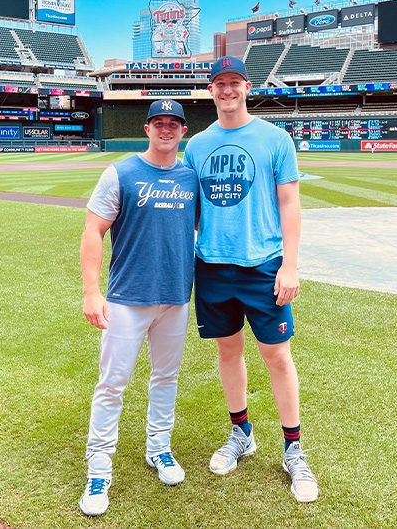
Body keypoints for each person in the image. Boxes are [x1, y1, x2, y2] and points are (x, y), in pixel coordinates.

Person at [182, 56, 319, 503]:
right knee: (228, 351)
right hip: (214, 266)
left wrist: (290, 264)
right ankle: (242, 434)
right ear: (211, 90)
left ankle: (294, 448)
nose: (227, 90)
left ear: (247, 86)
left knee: (277, 356)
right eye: (219, 83)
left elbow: (290, 205)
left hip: (263, 264)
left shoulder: (275, 139)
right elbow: (193, 212)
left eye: (234, 83)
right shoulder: (197, 146)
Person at [78, 99, 197, 516]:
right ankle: (99, 467)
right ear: (147, 128)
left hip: (176, 297)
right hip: (127, 298)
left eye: (174, 124)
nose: (166, 129)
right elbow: (93, 230)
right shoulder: (122, 172)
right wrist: (92, 293)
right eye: (159, 123)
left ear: (183, 131)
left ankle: (159, 448)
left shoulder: (190, 176)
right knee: (112, 383)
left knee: (166, 377)